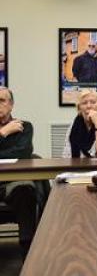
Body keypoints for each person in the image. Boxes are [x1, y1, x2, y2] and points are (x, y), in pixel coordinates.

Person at [0, 87, 37, 258]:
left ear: (11, 105)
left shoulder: (24, 126)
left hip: (13, 182)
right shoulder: (7, 129)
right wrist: (3, 132)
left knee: (25, 188)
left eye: (2, 101)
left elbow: (23, 154)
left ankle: (28, 249)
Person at [63, 89, 97, 158]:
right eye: (84, 103)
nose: (89, 106)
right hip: (78, 166)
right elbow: (67, 154)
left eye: (93, 102)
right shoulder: (74, 124)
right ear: (79, 108)